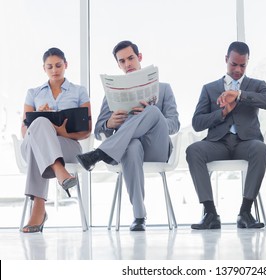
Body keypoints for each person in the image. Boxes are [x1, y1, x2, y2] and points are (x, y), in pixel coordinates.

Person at [76, 40, 180, 231]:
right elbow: (99, 130)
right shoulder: (112, 94)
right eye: (122, 61)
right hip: (128, 151)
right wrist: (109, 123)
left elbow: (174, 125)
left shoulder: (164, 88)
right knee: (131, 146)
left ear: (139, 57)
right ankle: (139, 216)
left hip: (157, 147)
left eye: (130, 58)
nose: (127, 64)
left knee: (153, 112)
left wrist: (152, 115)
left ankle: (100, 154)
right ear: (118, 64)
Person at [186, 41, 266, 230]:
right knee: (193, 150)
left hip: (247, 144)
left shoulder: (256, 85)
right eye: (233, 64)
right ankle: (210, 213)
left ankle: (245, 212)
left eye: (242, 65)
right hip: (218, 144)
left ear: (248, 62)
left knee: (261, 149)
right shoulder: (209, 89)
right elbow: (197, 123)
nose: (237, 69)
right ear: (226, 59)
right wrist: (222, 113)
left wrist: (239, 94)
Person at [20, 47, 92, 233]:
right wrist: (40, 121)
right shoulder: (33, 93)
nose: (54, 70)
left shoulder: (79, 92)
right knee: (40, 124)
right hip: (32, 143)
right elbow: (24, 131)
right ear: (44, 68)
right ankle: (60, 171)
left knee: (39, 145)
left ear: (66, 65)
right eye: (49, 67)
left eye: (58, 65)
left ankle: (38, 209)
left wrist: (63, 132)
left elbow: (87, 131)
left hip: (67, 145)